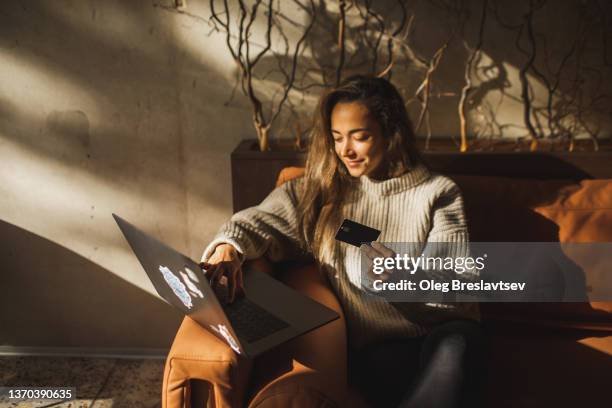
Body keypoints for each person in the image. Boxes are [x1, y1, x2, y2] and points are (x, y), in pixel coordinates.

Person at [200, 75, 486, 408]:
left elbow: (460, 291)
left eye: (360, 137)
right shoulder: (325, 193)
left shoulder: (438, 193)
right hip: (379, 350)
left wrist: (402, 280)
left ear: (391, 134)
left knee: (457, 346)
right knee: (389, 367)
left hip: (443, 336)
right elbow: (259, 220)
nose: (345, 150)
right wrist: (228, 248)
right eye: (337, 138)